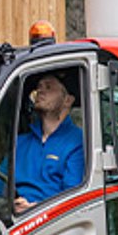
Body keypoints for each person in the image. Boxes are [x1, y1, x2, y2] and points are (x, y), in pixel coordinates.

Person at [11, 71, 84, 215]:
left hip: (53, 226)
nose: (40, 91)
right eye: (39, 86)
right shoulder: (19, 142)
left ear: (67, 100)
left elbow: (73, 200)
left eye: (49, 87)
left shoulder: (78, 141)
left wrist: (34, 209)